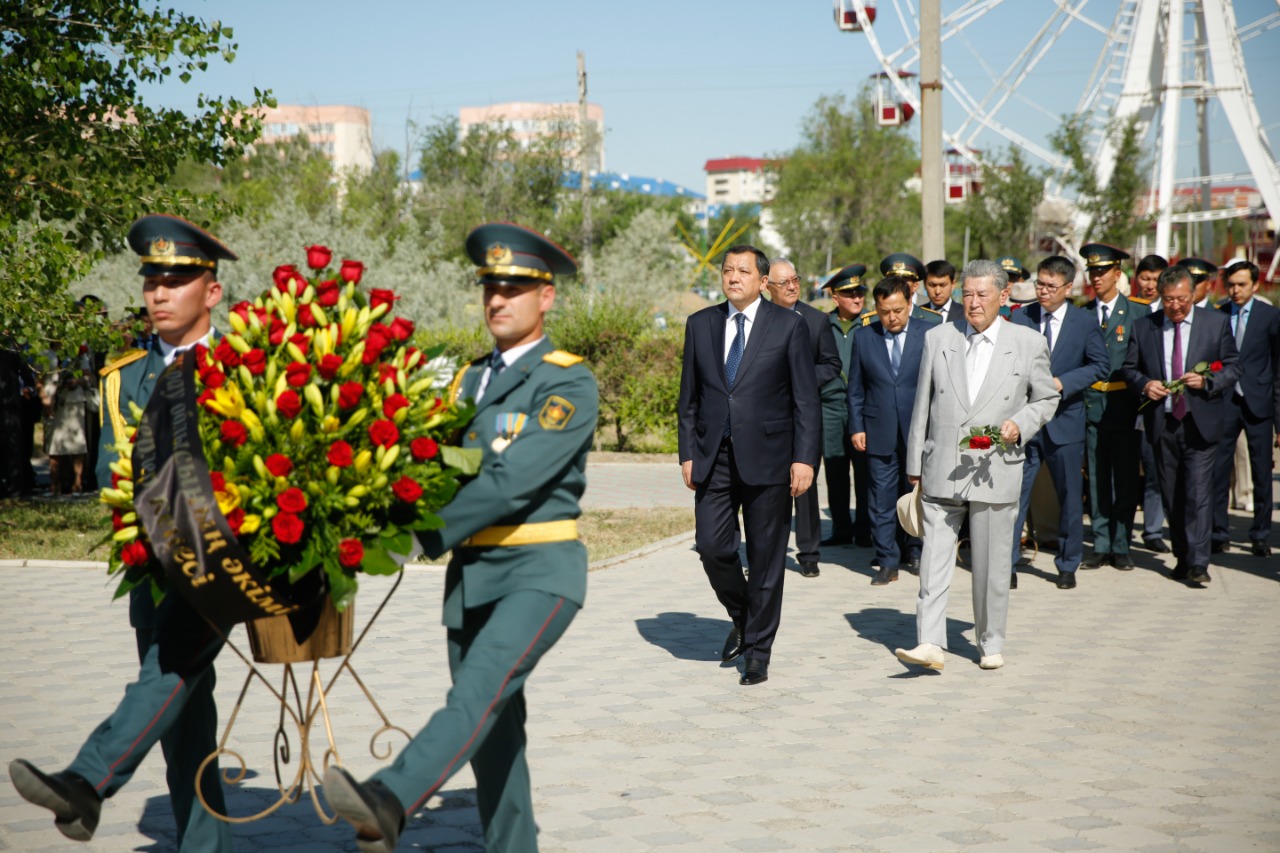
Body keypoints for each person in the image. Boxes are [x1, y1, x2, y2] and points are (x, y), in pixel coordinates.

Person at [325, 223, 598, 853]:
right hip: (471, 579)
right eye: (489, 288)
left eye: (514, 288)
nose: (498, 300)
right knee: (491, 731)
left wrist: (415, 538)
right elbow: (435, 467)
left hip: (538, 571)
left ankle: (390, 798)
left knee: (475, 697)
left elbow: (507, 482)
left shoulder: (567, 381)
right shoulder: (466, 382)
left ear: (546, 297)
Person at [10, 214, 237, 850]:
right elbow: (115, 481)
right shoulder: (124, 376)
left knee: (168, 676)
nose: (159, 293)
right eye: (151, 281)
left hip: (223, 565)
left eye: (177, 280)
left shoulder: (244, 366)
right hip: (150, 569)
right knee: (180, 713)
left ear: (211, 292)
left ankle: (87, 780)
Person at [895, 259, 1057, 672]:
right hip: (942, 464)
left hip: (995, 465)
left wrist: (1019, 424)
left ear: (1003, 297)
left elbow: (1046, 398)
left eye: (982, 294)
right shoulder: (939, 337)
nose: (972, 303)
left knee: (990, 564)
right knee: (933, 560)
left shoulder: (1027, 342)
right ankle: (929, 642)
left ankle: (990, 641)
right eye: (967, 293)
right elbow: (922, 406)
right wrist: (915, 461)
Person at [677, 244, 820, 687]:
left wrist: (804, 458)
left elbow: (805, 400)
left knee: (766, 557)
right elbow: (689, 398)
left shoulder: (788, 326)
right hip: (713, 456)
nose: (733, 277)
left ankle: (758, 650)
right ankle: (743, 615)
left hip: (772, 458)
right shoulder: (701, 324)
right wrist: (686, 452)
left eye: (743, 271)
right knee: (712, 546)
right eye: (727, 270)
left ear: (763, 280)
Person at [1122, 264, 1241, 586]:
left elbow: (1232, 368)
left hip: (1200, 421)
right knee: (1172, 493)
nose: (1175, 305)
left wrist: (1206, 381)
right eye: (1169, 299)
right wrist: (1146, 385)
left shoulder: (1215, 324)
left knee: (1198, 492)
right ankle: (1183, 556)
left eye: (1181, 299)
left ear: (1193, 294)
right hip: (1163, 423)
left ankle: (1200, 563)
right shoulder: (1144, 327)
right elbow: (1129, 369)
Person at [1010, 256, 1109, 589]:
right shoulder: (1021, 317)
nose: (1043, 291)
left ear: (1069, 288)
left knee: (1069, 497)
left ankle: (1068, 563)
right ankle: (1006, 563)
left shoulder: (1083, 322)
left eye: (1051, 286)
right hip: (1024, 424)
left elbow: (1099, 366)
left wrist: (1062, 382)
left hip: (1065, 422)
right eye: (1039, 284)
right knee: (1014, 496)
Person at [847, 275, 928, 585]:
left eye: (897, 310)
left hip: (918, 431)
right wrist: (857, 426)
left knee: (917, 492)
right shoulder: (864, 338)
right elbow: (855, 388)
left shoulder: (930, 334)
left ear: (910, 304)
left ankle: (916, 550)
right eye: (884, 311)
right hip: (877, 429)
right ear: (876, 309)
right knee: (880, 497)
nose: (891, 318)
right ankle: (887, 560)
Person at [765, 258, 842, 577]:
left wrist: (799, 377)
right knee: (769, 487)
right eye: (784, 283)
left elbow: (831, 363)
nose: (793, 286)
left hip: (802, 416)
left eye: (795, 279)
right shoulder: (759, 320)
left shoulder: (815, 320)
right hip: (766, 418)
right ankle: (768, 550)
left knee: (805, 484)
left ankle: (809, 553)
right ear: (767, 287)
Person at [1081, 242, 1150, 570]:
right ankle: (1101, 541)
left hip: (1124, 407)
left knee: (1124, 479)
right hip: (1092, 407)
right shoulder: (1081, 313)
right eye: (1092, 271)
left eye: (1102, 271)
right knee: (1096, 478)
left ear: (1117, 274)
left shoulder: (1138, 312)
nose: (1096, 277)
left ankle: (1121, 543)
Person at [1211, 260, 1280, 557]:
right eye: (1231, 285)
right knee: (1218, 470)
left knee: (1262, 471)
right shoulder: (1218, 315)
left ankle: (1261, 534)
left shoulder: (1271, 317)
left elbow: (1277, 368)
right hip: (1225, 403)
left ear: (1255, 285)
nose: (1236, 290)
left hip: (1258, 402)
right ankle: (1218, 533)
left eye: (1242, 284)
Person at [819, 265, 873, 549]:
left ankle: (865, 530)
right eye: (849, 294)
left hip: (861, 409)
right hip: (830, 408)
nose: (856, 298)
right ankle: (841, 529)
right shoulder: (820, 324)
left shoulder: (871, 324)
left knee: (865, 472)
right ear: (835, 296)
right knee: (836, 471)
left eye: (859, 293)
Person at [879, 252, 944, 325]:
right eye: (893, 280)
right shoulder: (875, 319)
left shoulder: (932, 319)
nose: (897, 285)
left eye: (904, 281)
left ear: (915, 286)